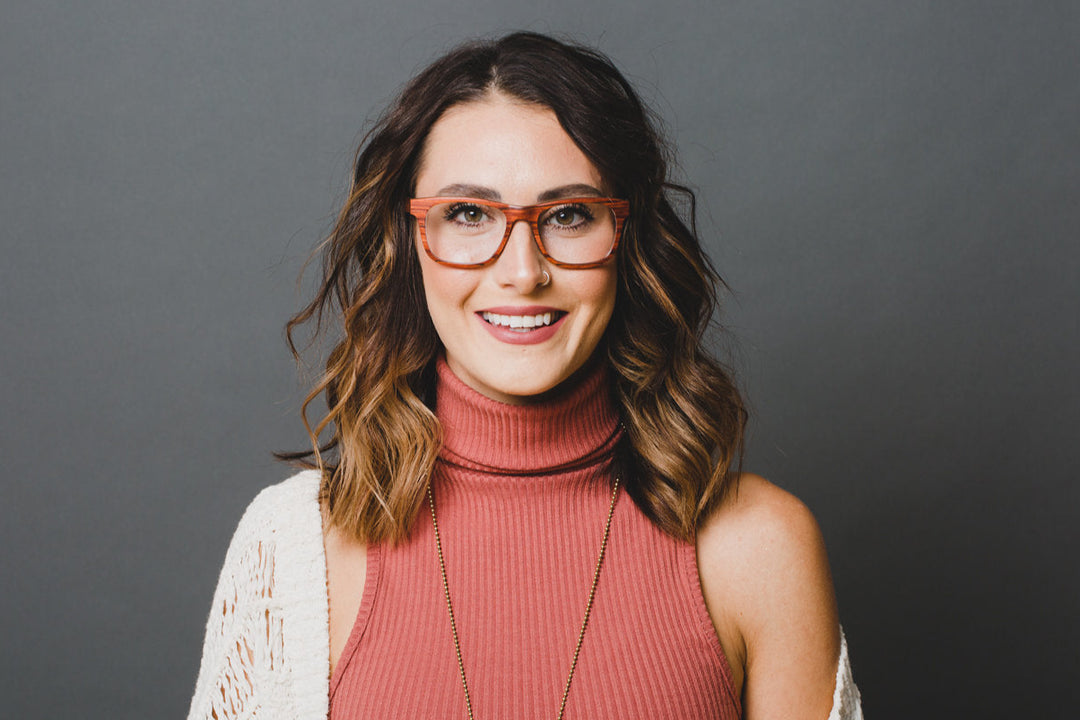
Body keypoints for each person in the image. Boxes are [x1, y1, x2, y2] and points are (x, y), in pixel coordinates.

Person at [187, 32, 862, 720]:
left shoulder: (759, 550)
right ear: (409, 242)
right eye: (469, 214)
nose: (522, 271)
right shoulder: (294, 554)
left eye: (569, 215)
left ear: (627, 240)